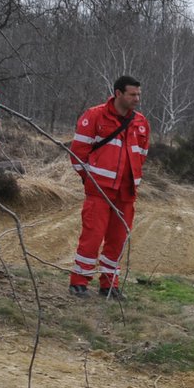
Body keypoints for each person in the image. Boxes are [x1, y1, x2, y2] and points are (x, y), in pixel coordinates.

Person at [67, 75, 148, 299]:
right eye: (133, 94)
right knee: (92, 237)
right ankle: (79, 282)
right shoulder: (95, 116)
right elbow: (77, 153)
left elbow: (142, 154)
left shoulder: (140, 122)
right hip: (100, 191)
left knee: (118, 241)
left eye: (139, 94)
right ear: (118, 93)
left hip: (126, 193)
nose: (137, 99)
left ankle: (109, 285)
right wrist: (90, 179)